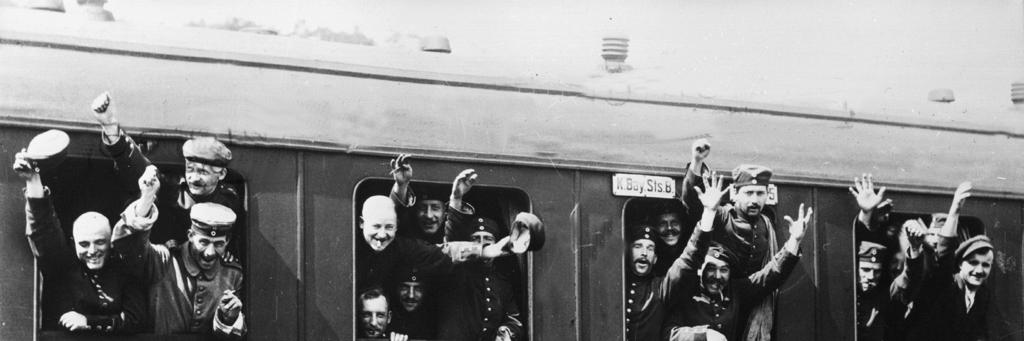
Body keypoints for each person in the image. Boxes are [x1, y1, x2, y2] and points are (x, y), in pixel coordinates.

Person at [89, 92, 246, 258]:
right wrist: (112, 129)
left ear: (221, 174)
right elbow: (141, 169)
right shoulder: (174, 189)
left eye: (202, 172)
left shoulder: (231, 199)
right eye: (190, 169)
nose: (193, 178)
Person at [663, 173, 812, 341]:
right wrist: (703, 336)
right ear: (700, 269)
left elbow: (771, 276)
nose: (717, 276)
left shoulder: (736, 292)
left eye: (724, 270)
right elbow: (669, 334)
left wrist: (794, 241)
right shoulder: (684, 288)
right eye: (711, 268)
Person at [14, 152, 144, 333]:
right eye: (84, 244)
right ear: (73, 243)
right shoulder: (63, 268)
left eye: (100, 242)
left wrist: (88, 322)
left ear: (111, 243)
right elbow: (43, 228)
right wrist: (33, 180)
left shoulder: (124, 272)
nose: (92, 250)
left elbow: (134, 320)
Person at [111, 166, 246, 337]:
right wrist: (146, 199)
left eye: (219, 244)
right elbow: (128, 248)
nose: (210, 252)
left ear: (227, 241)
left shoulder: (232, 274)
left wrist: (227, 319)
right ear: (190, 235)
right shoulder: (164, 261)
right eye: (204, 242)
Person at [679, 139, 784, 340]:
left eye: (760, 193)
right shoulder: (723, 216)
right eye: (749, 193)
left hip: (753, 305)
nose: (754, 200)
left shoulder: (766, 225)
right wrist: (696, 161)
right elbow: (692, 203)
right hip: (717, 301)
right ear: (735, 194)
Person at [436, 216, 525, 341]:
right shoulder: (455, 272)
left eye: (488, 239)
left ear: (496, 244)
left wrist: (506, 331)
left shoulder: (501, 282)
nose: (483, 243)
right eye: (476, 239)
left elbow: (514, 319)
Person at [388, 154, 446, 244]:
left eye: (435, 208)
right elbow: (395, 214)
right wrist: (401, 186)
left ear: (445, 213)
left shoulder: (452, 234)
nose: (429, 215)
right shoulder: (406, 233)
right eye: (422, 208)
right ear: (415, 211)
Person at [387, 267, 437, 339]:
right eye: (405, 288)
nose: (411, 295)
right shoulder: (387, 320)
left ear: (425, 291)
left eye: (417, 289)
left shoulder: (432, 322)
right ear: (396, 289)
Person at [650, 200, 694, 276]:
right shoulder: (651, 255)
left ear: (682, 226)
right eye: (662, 224)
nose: (669, 228)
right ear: (655, 227)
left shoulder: (691, 253)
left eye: (674, 223)